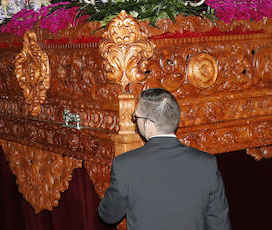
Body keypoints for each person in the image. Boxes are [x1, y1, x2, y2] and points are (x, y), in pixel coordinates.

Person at [98, 88, 230, 230]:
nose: (135, 123)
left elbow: (109, 215)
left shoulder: (125, 165)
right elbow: (220, 225)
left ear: (149, 125)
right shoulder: (207, 164)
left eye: (136, 118)